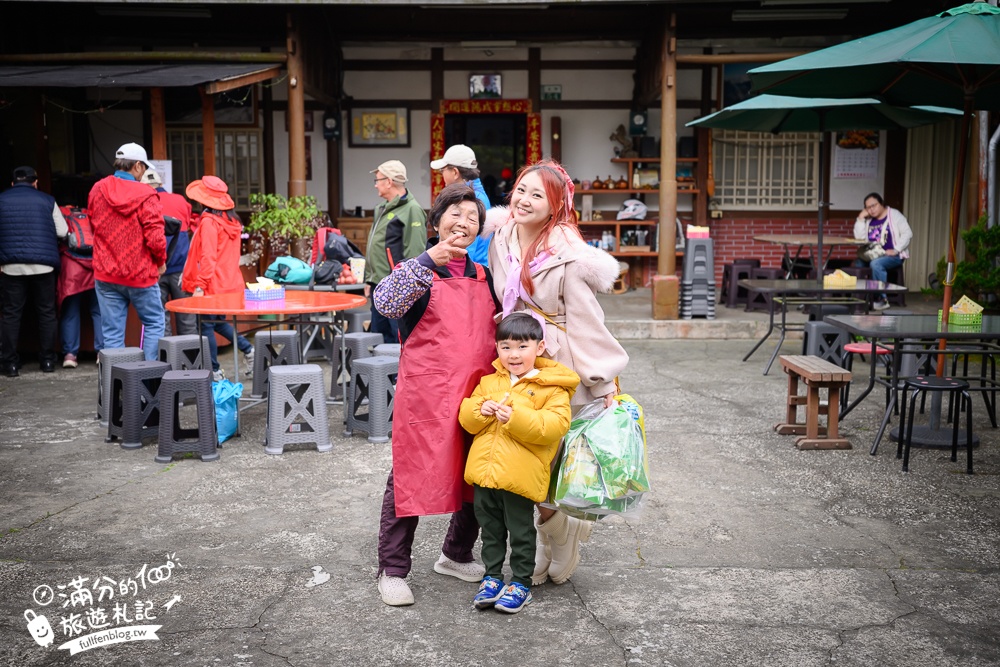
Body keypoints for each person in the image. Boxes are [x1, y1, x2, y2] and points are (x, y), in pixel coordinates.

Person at [484, 159, 629, 586]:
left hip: (557, 363)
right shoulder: (500, 237)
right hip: (515, 356)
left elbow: (587, 320)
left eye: (537, 195)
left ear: (555, 206)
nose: (524, 200)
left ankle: (560, 540)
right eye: (521, 190)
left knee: (552, 459)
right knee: (524, 458)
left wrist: (604, 380)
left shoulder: (568, 254)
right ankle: (559, 533)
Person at [371, 183, 499, 607]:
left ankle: (455, 553)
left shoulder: (484, 276)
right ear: (436, 221)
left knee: (475, 475)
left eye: (472, 218)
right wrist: (425, 261)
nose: (463, 223)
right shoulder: (417, 271)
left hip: (475, 396)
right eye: (455, 214)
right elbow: (385, 303)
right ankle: (392, 569)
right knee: (411, 478)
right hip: (427, 397)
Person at [459, 312, 579, 614]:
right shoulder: (488, 381)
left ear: (539, 348)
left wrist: (515, 417)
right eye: (506, 347)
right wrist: (479, 409)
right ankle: (493, 577)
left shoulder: (552, 387)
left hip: (520, 476)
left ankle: (521, 582)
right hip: (485, 474)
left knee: (522, 532)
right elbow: (467, 418)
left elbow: (554, 426)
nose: (514, 354)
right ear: (497, 348)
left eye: (522, 347)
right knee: (490, 530)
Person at [88, 142, 166, 361]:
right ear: (138, 166)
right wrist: (160, 261)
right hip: (139, 273)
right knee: (153, 323)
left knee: (112, 333)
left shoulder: (97, 189)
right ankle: (149, 384)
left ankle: (115, 389)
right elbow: (155, 237)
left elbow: (93, 225)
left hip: (106, 272)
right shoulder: (147, 194)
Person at [181, 176, 254, 381]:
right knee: (217, 322)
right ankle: (248, 350)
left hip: (212, 282)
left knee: (205, 326)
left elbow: (208, 257)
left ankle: (215, 370)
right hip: (230, 282)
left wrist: (199, 285)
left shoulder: (209, 222)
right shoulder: (232, 221)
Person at [0, 166, 67, 376]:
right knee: (46, 313)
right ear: (35, 182)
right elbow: (63, 231)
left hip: (11, 266)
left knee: (11, 314)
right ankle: (47, 361)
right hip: (43, 265)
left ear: (12, 183)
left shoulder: (1, 199)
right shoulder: (47, 200)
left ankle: (9, 364)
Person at [364, 160, 427, 344]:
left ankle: (396, 374)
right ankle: (380, 374)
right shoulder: (382, 208)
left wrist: (406, 289)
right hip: (378, 284)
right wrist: (370, 278)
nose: (376, 184)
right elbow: (375, 247)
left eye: (378, 180)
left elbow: (414, 253)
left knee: (396, 339)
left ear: (389, 181)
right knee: (379, 335)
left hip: (397, 289)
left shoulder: (412, 210)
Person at [142, 168, 197, 337]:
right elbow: (187, 222)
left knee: (160, 318)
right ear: (160, 183)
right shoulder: (180, 200)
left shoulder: (143, 202)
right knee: (187, 316)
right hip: (181, 267)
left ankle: (166, 359)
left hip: (155, 268)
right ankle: (190, 359)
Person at [430, 144, 492, 265]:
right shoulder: (477, 195)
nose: (442, 175)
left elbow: (466, 248)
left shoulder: (471, 199)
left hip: (468, 273)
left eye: (443, 170)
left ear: (454, 172)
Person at [853, 192, 911, 311]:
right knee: (858, 264)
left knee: (876, 264)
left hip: (893, 256)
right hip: (873, 254)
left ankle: (881, 299)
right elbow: (859, 239)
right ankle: (860, 298)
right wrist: (860, 219)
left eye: (873, 205)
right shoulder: (869, 220)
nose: (871, 210)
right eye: (868, 207)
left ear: (881, 203)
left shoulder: (894, 215)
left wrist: (896, 250)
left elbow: (907, 233)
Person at [57, 241, 102, 369]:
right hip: (96, 261)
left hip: (71, 264)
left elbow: (60, 232)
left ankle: (70, 355)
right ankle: (102, 353)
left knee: (71, 311)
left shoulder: (67, 219)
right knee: (99, 310)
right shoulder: (96, 219)